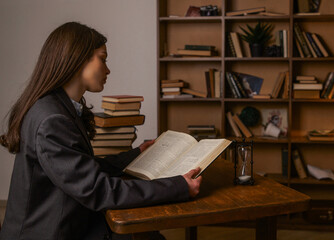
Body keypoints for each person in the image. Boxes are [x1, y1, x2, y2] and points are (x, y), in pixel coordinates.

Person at [0, 22, 202, 240]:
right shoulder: (53, 120)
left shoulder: (55, 107)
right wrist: (178, 186)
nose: (108, 69)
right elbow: (99, 190)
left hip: (67, 222)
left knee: (148, 234)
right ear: (77, 59)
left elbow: (82, 169)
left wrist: (137, 154)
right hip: (53, 232)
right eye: (103, 58)